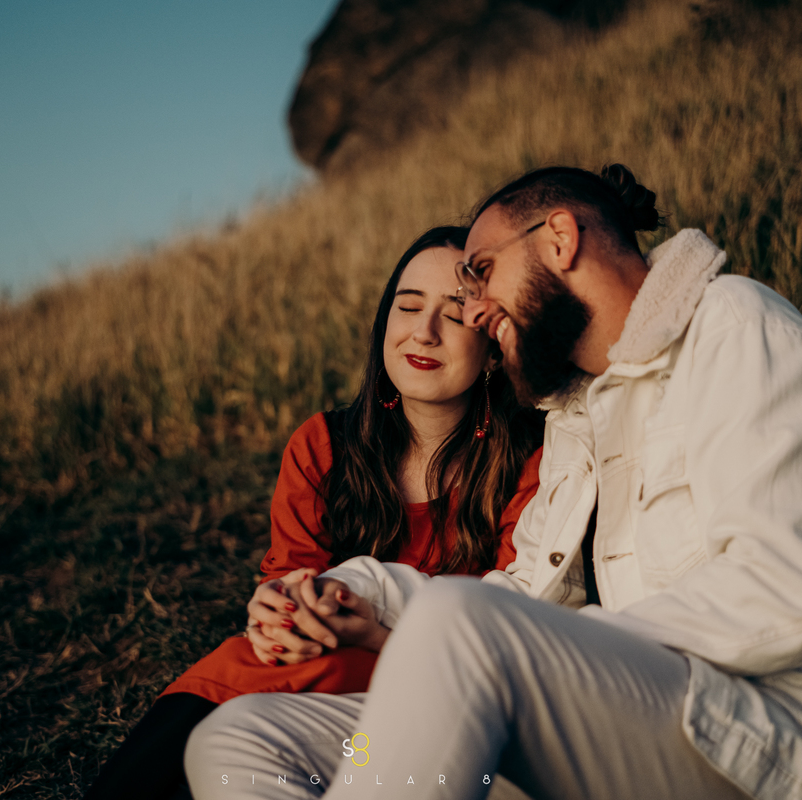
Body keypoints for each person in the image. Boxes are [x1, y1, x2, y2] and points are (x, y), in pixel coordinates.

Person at [183, 166, 802, 800]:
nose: (476, 312)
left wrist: (546, 645)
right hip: (631, 737)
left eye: (479, 273)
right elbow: (522, 599)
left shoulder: (736, 327)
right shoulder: (578, 413)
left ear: (559, 237)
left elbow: (785, 598)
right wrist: (359, 594)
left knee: (463, 621)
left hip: (773, 750)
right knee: (243, 739)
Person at [83, 226, 545, 800]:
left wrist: (376, 635)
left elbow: (512, 618)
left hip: (450, 690)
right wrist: (274, 607)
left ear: (492, 346)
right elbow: (290, 577)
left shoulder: (529, 460)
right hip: (313, 671)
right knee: (258, 664)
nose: (423, 332)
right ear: (384, 325)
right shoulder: (325, 445)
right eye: (406, 307)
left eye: (454, 314)